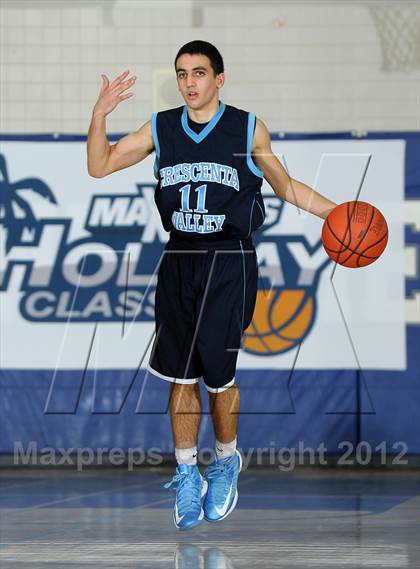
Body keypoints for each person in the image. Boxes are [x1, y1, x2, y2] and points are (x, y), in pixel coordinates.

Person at [87, 40, 337, 531]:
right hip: (179, 257)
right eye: (182, 74)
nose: (189, 83)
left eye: (199, 73)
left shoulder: (246, 127)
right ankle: (186, 473)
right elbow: (100, 165)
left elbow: (284, 188)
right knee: (180, 376)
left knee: (218, 376)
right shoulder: (160, 127)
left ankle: (225, 461)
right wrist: (100, 115)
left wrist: (338, 213)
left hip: (230, 261)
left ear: (219, 79)